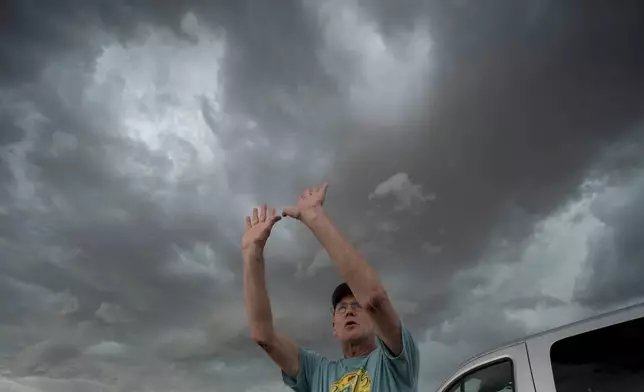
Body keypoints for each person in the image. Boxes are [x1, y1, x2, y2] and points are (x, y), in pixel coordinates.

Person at [242, 183, 420, 392]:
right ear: (334, 327)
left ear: (375, 323)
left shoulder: (397, 361)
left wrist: (314, 218)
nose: (349, 310)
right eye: (341, 308)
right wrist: (251, 253)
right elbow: (264, 336)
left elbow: (374, 298)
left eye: (356, 305)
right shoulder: (316, 371)